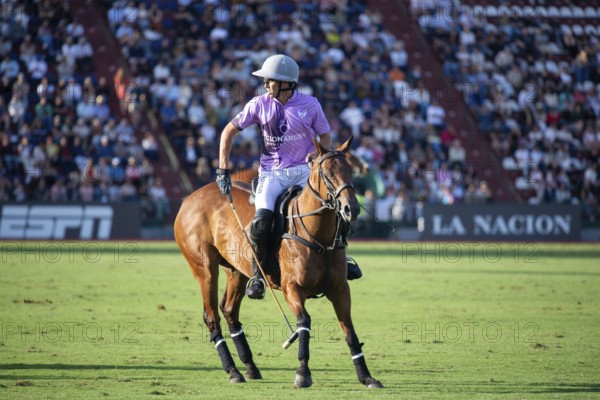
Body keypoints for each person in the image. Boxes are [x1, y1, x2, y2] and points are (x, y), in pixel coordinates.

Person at [216, 54, 361, 300]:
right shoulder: (258, 104)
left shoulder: (311, 105)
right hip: (272, 174)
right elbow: (229, 131)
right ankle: (257, 276)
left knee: (336, 205)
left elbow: (325, 136)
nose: (265, 84)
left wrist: (319, 158)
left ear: (286, 83)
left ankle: (342, 258)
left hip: (305, 171)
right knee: (261, 221)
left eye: (269, 80)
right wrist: (222, 168)